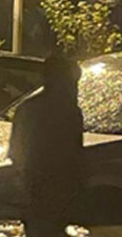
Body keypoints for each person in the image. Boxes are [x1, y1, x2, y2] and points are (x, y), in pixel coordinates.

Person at [8, 49, 84, 226]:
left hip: (36, 183)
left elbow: (15, 150)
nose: (75, 87)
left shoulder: (27, 108)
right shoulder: (68, 111)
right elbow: (75, 151)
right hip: (54, 183)